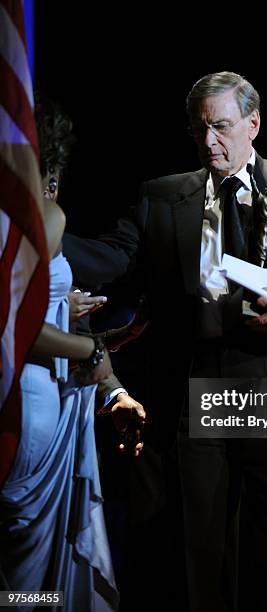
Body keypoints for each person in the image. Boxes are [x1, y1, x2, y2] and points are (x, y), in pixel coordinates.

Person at [63, 71, 267, 611]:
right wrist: (35, 230)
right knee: (197, 544)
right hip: (198, 379)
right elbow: (110, 257)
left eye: (221, 128)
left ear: (253, 123)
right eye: (199, 130)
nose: (209, 143)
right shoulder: (163, 196)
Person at [0, 94, 142, 610]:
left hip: (34, 394)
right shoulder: (44, 217)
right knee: (29, 566)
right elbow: (19, 326)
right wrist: (92, 349)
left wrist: (68, 312)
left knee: (17, 557)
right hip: (32, 396)